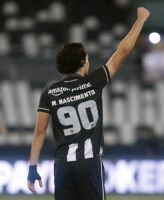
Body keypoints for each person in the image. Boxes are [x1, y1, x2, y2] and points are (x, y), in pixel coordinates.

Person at [27, 7, 150, 200]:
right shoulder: (94, 82)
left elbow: (40, 132)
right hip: (89, 164)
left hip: (63, 166)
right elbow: (123, 51)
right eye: (87, 57)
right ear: (84, 62)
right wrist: (141, 20)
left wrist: (32, 168)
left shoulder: (49, 92)